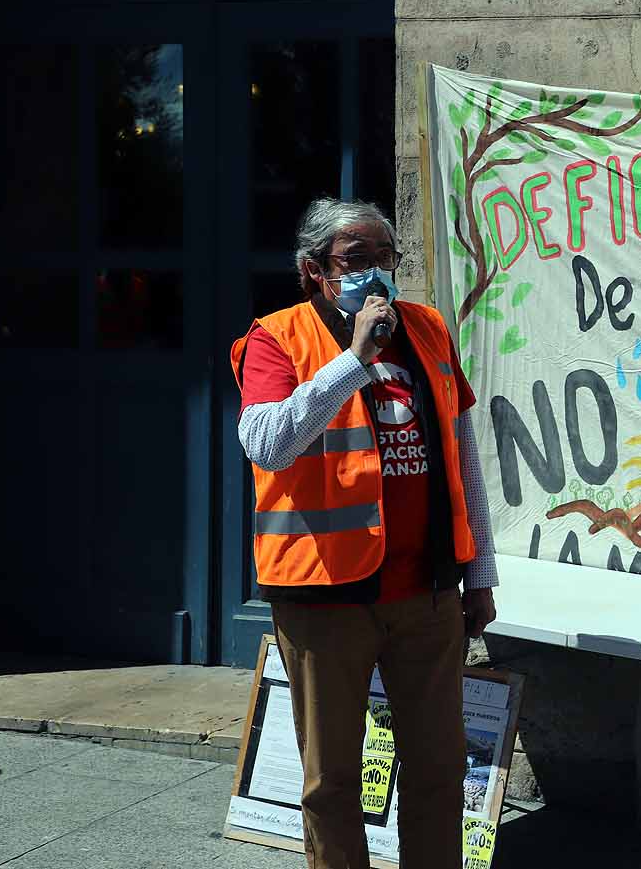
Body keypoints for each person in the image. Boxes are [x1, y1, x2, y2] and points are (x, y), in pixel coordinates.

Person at [231, 198, 499, 869]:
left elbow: (463, 451)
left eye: (386, 256)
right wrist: (354, 357)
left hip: (426, 595)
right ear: (313, 271)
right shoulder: (277, 337)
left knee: (440, 769)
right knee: (332, 784)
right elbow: (266, 443)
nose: (376, 273)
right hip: (325, 600)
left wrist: (481, 571)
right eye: (356, 259)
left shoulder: (429, 329)